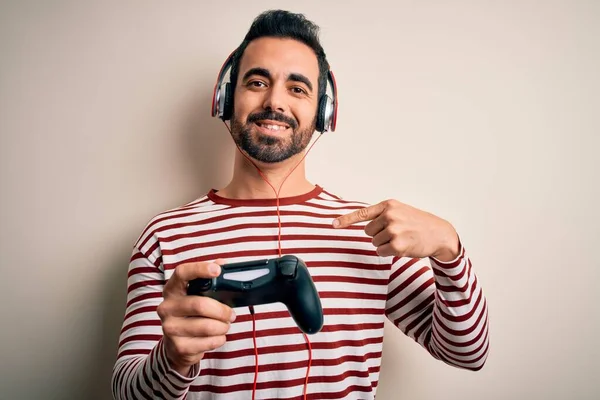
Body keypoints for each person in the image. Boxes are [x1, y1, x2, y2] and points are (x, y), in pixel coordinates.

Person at [111, 9, 489, 400]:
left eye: (297, 88)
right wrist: (171, 359)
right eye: (257, 81)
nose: (274, 101)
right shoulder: (165, 237)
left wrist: (449, 249)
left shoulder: (372, 233)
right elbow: (127, 394)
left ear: (324, 112)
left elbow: (468, 351)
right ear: (226, 99)